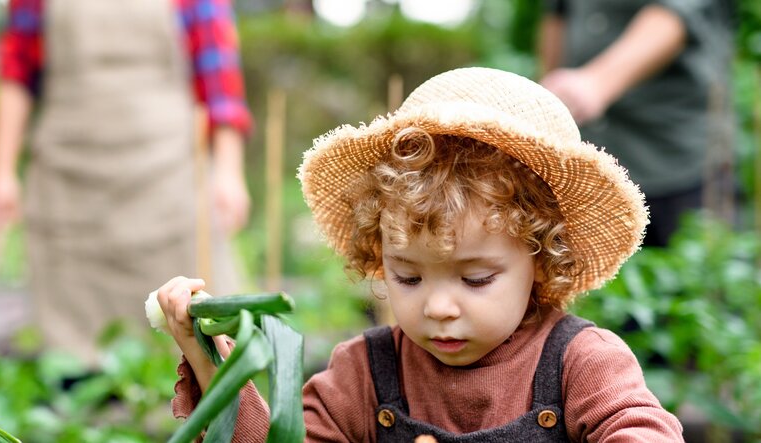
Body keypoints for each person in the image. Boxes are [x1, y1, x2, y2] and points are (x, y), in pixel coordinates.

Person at [155, 68, 684, 441]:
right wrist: (214, 363)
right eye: (408, 277)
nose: (438, 307)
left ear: (542, 262)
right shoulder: (363, 374)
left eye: (475, 279)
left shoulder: (582, 365)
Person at [0, 0, 253, 365]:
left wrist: (229, 173)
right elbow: (16, 72)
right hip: (68, 183)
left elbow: (220, 87)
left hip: (169, 177)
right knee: (70, 365)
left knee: (191, 356)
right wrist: (1, 172)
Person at [538, 0, 735, 247]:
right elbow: (558, 14)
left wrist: (597, 82)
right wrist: (547, 104)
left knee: (698, 270)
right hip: (592, 158)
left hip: (674, 154)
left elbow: (676, 11)